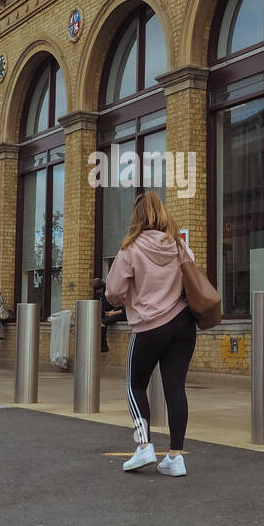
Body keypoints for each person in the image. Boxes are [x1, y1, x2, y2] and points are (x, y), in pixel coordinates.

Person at [105, 190, 197, 477]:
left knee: (135, 385)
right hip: (183, 323)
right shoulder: (179, 246)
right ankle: (175, 457)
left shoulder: (130, 249)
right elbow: (192, 278)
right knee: (175, 388)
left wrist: (127, 300)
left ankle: (144, 446)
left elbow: (113, 292)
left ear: (137, 217)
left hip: (150, 326)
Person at [93, 277, 125, 354]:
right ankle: (102, 346)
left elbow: (124, 310)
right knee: (101, 322)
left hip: (123, 314)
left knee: (103, 323)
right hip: (115, 311)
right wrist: (112, 311)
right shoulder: (106, 293)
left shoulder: (110, 292)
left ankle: (103, 347)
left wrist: (112, 313)